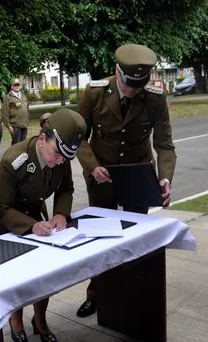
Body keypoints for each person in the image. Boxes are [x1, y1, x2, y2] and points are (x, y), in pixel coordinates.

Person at [75, 43, 176, 318]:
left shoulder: (154, 98)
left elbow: (165, 145)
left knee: (134, 238)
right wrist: (93, 167)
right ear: (117, 72)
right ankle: (96, 294)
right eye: (129, 84)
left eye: (139, 85)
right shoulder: (94, 92)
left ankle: (131, 295)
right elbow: (79, 137)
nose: (133, 90)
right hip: (102, 175)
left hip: (137, 174)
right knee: (101, 238)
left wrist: (165, 179)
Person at [0, 107, 85, 342]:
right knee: (15, 268)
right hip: (0, 213)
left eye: (64, 159)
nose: (59, 162)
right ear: (43, 139)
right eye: (56, 155)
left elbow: (65, 188)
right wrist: (31, 226)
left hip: (31, 209)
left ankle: (40, 320)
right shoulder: (13, 161)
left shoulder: (61, 153)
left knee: (42, 269)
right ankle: (15, 319)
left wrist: (60, 213)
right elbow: (2, 208)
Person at [2, 78, 29, 145]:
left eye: (18, 85)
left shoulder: (23, 96)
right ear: (11, 86)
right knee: (16, 145)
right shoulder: (7, 97)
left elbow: (27, 109)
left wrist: (27, 121)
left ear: (20, 86)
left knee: (23, 144)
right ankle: (14, 156)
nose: (17, 87)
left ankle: (22, 156)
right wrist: (8, 126)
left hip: (24, 124)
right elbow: (5, 113)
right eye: (15, 85)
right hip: (15, 125)